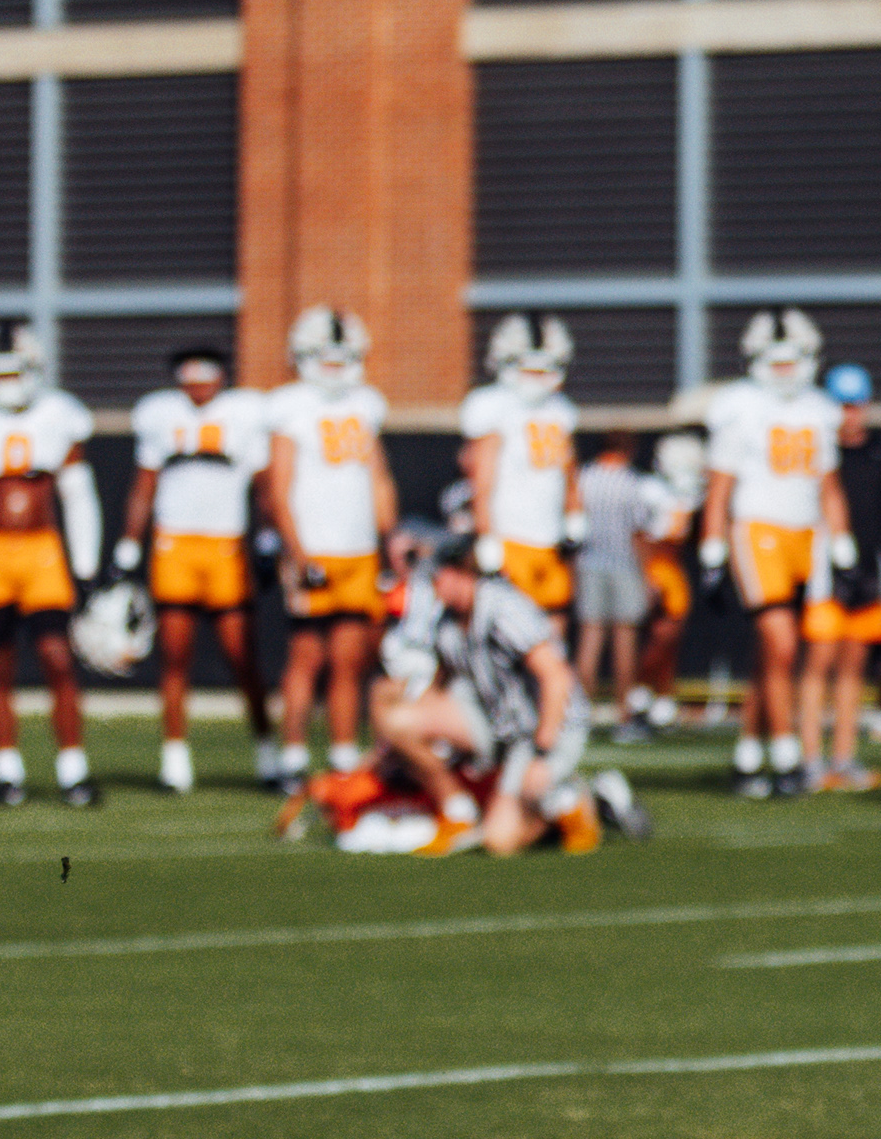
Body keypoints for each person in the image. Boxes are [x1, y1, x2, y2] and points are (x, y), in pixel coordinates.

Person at [0, 323, 103, 807]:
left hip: (41, 549)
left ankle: (73, 770)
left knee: (57, 657)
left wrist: (85, 564)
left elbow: (78, 493)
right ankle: (7, 770)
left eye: (15, 373)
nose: (8, 383)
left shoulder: (60, 413)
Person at [375, 530, 600, 858]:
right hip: (500, 725)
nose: (432, 587)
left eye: (437, 577)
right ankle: (458, 810)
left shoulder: (503, 607)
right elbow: (435, 690)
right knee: (398, 718)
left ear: (459, 573)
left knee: (499, 841)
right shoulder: (448, 620)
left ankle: (574, 798)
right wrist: (388, 753)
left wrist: (542, 753)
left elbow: (556, 678)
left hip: (547, 728)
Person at [702, 307, 842, 796]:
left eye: (792, 360)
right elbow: (719, 488)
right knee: (781, 646)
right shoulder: (740, 406)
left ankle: (748, 752)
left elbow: (829, 486)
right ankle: (786, 756)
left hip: (806, 537)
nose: (784, 370)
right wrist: (712, 549)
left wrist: (841, 542)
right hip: (757, 530)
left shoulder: (819, 409)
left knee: (774, 654)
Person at [118, 344, 266, 793]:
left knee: (242, 658)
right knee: (174, 657)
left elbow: (264, 484)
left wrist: (268, 536)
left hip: (226, 544)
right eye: (191, 379)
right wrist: (129, 543)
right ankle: (175, 760)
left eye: (206, 378)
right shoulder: (161, 414)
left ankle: (268, 755)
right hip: (175, 543)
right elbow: (144, 484)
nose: (199, 388)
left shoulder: (245, 414)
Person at [263, 307, 398, 791]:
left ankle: (343, 754)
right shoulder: (289, 406)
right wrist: (298, 553)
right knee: (306, 657)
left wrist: (389, 540)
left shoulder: (366, 404)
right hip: (315, 548)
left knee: (350, 658)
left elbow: (378, 478)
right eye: (326, 357)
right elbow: (278, 489)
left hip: (358, 549)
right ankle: (293, 755)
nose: (336, 366)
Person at [800, 364, 881, 795]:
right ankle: (809, 759)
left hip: (867, 572)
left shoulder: (879, 453)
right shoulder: (820, 452)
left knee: (853, 668)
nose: (849, 415)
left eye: (856, 406)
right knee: (818, 665)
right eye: (842, 406)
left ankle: (843, 758)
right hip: (826, 568)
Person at [460, 314, 582, 624]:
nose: (536, 377)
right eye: (528, 368)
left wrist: (575, 515)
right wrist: (487, 536)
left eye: (544, 368)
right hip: (511, 538)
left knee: (555, 632)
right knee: (514, 633)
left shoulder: (560, 411)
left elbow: (569, 471)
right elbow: (482, 482)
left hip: (550, 541)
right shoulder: (493, 406)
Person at [571, 431, 653, 737]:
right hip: (625, 565)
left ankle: (580, 714)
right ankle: (624, 716)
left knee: (590, 638)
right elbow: (638, 532)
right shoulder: (631, 483)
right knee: (625, 640)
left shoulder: (583, 478)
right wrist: (647, 575)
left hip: (588, 563)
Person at [637, 431, 705, 728]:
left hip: (674, 566)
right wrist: (645, 575)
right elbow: (641, 534)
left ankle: (661, 696)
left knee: (671, 636)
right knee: (660, 636)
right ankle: (640, 694)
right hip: (655, 564)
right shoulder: (651, 490)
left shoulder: (690, 493)